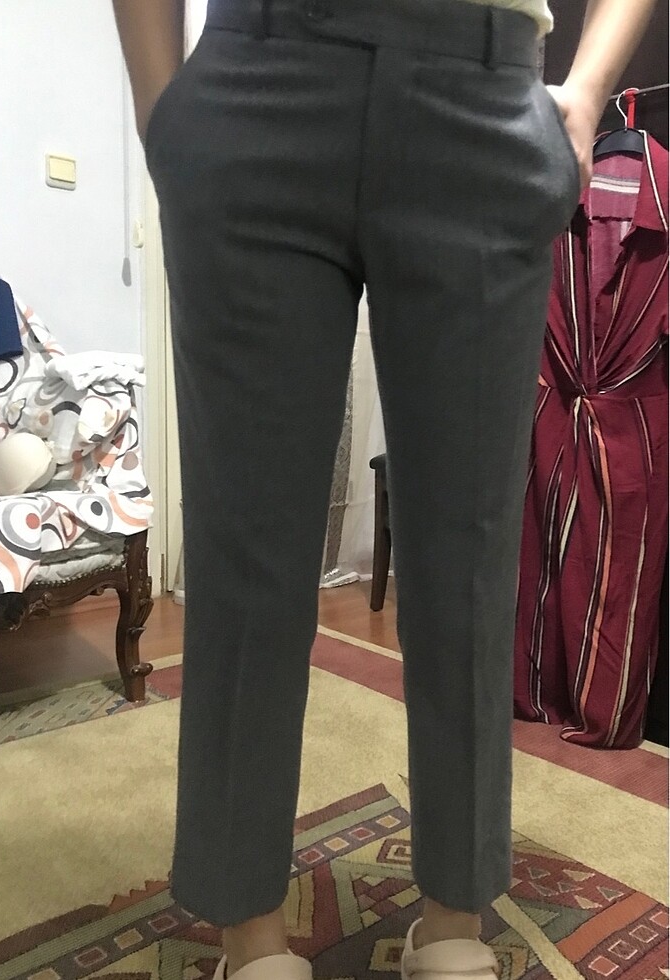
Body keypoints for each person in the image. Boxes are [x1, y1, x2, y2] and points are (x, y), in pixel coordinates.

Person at [112, 1, 657, 977]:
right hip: (261, 76)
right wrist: (162, 107)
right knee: (247, 552)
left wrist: (583, 92)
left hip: (481, 94)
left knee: (469, 556)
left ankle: (453, 928)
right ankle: (253, 941)